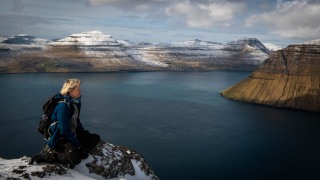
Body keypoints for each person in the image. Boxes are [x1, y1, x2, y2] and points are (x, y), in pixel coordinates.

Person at [36, 78, 100, 168]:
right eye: (78, 89)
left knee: (95, 138)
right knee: (75, 159)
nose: (80, 91)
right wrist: (78, 144)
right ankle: (48, 156)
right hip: (60, 138)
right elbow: (63, 131)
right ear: (70, 91)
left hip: (71, 134)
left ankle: (80, 149)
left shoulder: (74, 102)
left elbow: (76, 120)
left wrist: (83, 133)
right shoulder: (63, 106)